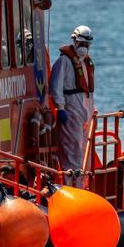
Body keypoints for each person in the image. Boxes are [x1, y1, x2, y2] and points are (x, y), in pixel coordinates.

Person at [49, 25, 95, 187]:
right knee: (71, 149)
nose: (83, 48)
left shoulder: (86, 63)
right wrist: (60, 108)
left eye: (86, 45)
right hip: (70, 110)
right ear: (74, 42)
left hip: (85, 112)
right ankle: (71, 185)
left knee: (84, 149)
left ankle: (82, 184)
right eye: (81, 44)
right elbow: (56, 86)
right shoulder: (64, 62)